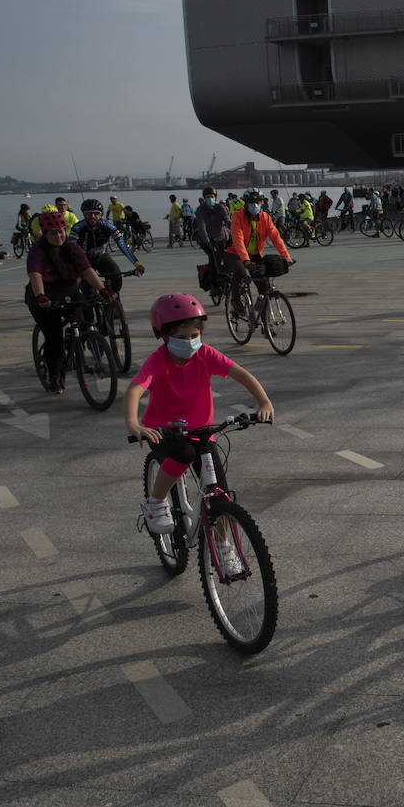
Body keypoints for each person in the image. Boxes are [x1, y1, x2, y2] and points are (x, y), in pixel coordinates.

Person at [124, 293, 274, 552]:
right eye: (182, 338)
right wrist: (134, 424)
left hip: (201, 433)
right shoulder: (158, 360)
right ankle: (156, 503)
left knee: (220, 493)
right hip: (163, 433)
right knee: (183, 453)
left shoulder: (205, 354)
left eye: (194, 335)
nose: (190, 342)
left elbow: (242, 374)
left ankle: (224, 548)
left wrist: (264, 403)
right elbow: (135, 389)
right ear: (163, 335)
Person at [25, 209, 111, 392]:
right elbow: (35, 275)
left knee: (87, 314)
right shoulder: (38, 250)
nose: (59, 235)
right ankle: (55, 375)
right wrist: (40, 296)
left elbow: (87, 271)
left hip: (69, 290)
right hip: (44, 295)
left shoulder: (72, 248)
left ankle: (80, 339)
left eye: (61, 231)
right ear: (45, 234)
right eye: (53, 232)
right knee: (54, 336)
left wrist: (102, 290)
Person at [225, 194, 293, 314]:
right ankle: (235, 299)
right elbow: (238, 239)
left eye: (258, 202)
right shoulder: (238, 216)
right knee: (240, 273)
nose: (255, 205)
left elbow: (275, 238)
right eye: (252, 202)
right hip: (235, 253)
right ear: (246, 203)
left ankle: (265, 324)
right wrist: (245, 260)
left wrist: (286, 257)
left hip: (255, 255)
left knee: (264, 287)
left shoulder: (265, 217)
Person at [70, 198, 145, 292]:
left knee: (116, 279)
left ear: (101, 214)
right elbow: (71, 248)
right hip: (85, 259)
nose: (92, 216)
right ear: (83, 214)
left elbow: (122, 245)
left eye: (96, 213)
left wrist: (137, 264)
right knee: (87, 289)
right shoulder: (77, 227)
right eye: (88, 214)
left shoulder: (108, 226)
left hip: (102, 256)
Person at [193, 187, 231, 295]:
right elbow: (201, 226)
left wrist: (236, 229)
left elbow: (227, 221)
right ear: (204, 198)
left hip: (221, 237)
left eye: (212, 197)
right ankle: (213, 285)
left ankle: (226, 280)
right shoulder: (200, 210)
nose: (210, 199)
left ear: (216, 197)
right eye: (208, 197)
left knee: (226, 257)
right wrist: (206, 240)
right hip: (207, 240)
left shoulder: (220, 208)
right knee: (213, 257)